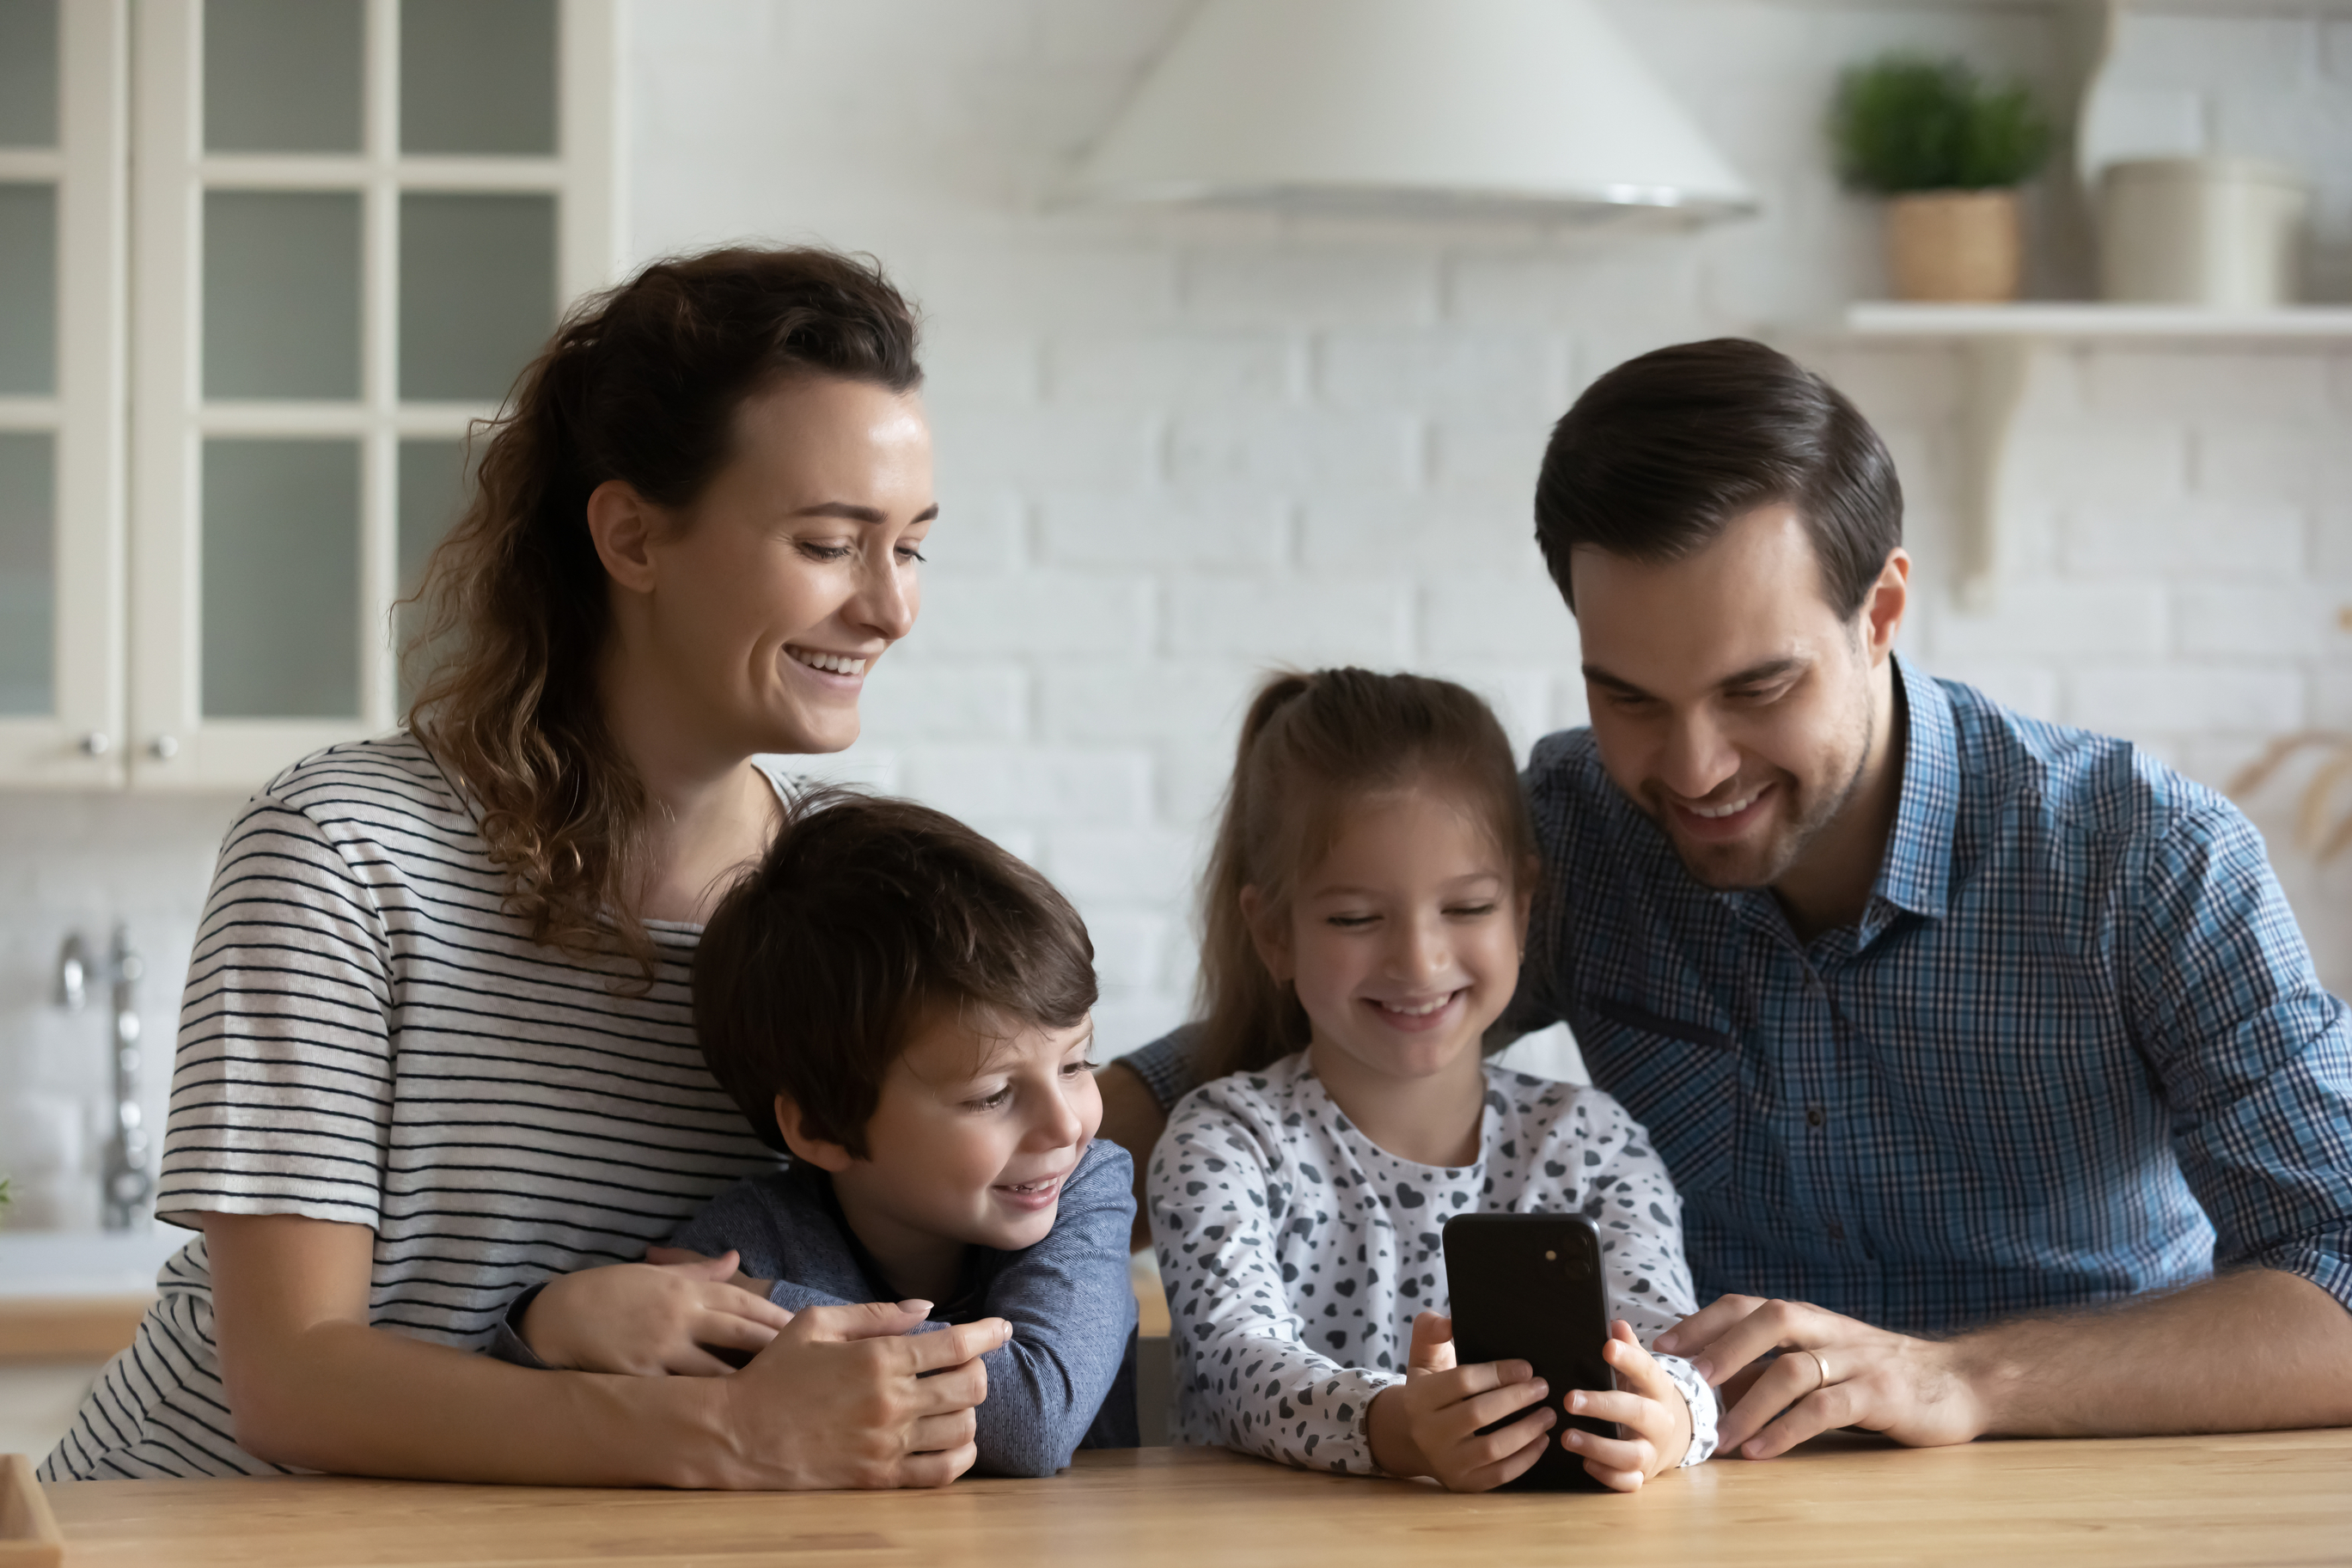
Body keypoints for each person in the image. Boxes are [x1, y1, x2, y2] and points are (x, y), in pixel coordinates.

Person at [1108, 339, 2352, 1461]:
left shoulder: (2145, 859)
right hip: (1715, 1498)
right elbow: (1263, 1058)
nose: (1694, 770)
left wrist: (1961, 1376)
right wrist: (995, 1169)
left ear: (1881, 611)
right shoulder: (1582, 827)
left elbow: (2336, 1276)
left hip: (2083, 1493)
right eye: (1629, 698)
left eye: (1756, 689)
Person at [44, 247, 1012, 1488]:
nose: (890, 609)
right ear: (631, 535)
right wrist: (735, 1433)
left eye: (911, 548)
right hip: (192, 1528)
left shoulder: (843, 910)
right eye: (830, 544)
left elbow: (1029, 1138)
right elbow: (292, 1381)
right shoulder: (345, 851)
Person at [1152, 668, 1715, 1492]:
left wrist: (1672, 1417)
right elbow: (1237, 1367)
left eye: (1467, 908)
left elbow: (1673, 1346)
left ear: (1521, 908)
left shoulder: (1590, 1141)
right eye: (1355, 917)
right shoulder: (1224, 1141)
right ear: (1273, 933)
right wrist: (1399, 1428)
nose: (1418, 960)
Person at [493, 790, 1139, 1476]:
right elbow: (592, 1396)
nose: (1066, 1124)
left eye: (1076, 1063)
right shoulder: (746, 1241)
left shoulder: (1085, 1190)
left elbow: (1037, 1416)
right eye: (992, 1095)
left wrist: (764, 1304)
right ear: (821, 1127)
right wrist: (546, 1318)